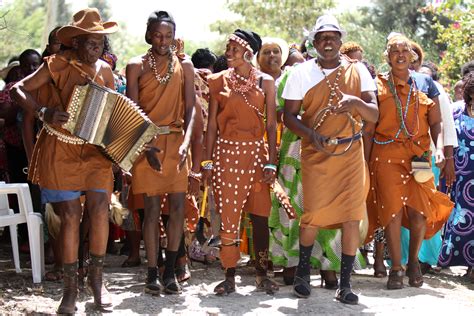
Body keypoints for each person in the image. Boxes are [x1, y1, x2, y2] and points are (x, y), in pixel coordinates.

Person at [11, 8, 119, 313]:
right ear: (76, 42)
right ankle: (69, 290)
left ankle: (97, 283)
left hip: (95, 152)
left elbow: (111, 113)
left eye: (99, 43)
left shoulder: (106, 71)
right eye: (88, 43)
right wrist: (42, 111)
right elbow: (18, 89)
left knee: (99, 211)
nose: (94, 49)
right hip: (61, 149)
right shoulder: (56, 64)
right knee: (70, 217)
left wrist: (121, 149)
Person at [283, 15, 378, 304]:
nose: (328, 42)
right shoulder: (301, 73)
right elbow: (288, 116)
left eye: (333, 37)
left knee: (351, 217)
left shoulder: (358, 69)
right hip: (316, 152)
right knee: (312, 215)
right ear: (314, 43)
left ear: (340, 41)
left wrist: (356, 103)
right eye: (322, 37)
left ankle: (345, 284)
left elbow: (374, 114)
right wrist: (311, 136)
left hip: (350, 154)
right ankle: (302, 274)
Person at [365, 35, 453, 291]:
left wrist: (438, 149)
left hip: (419, 157)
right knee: (391, 211)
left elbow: (436, 122)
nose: (400, 55)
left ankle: (413, 261)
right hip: (385, 155)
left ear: (413, 57)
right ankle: (395, 268)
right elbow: (369, 129)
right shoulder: (376, 85)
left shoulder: (425, 82)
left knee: (418, 212)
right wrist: (367, 162)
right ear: (387, 57)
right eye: (394, 51)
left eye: (405, 51)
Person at [203, 29, 278, 295]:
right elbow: (211, 125)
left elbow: (271, 124)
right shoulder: (218, 81)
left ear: (248, 52)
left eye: (234, 48)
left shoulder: (265, 82)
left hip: (257, 156)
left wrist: (271, 161)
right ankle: (230, 275)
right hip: (227, 155)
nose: (228, 53)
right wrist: (207, 163)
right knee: (229, 219)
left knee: (260, 216)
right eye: (228, 48)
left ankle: (261, 274)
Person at [126, 10, 196, 295]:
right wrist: (145, 146)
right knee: (152, 210)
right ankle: (152, 271)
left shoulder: (185, 65)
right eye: (157, 34)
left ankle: (171, 272)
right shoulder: (136, 65)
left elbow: (191, 110)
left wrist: (186, 143)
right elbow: (131, 110)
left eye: (168, 35)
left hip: (177, 143)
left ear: (174, 36)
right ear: (148, 35)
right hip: (148, 145)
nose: (163, 40)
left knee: (178, 208)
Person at [438, 73, 474, 283]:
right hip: (460, 175)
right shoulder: (455, 111)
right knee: (461, 219)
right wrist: (448, 162)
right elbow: (446, 138)